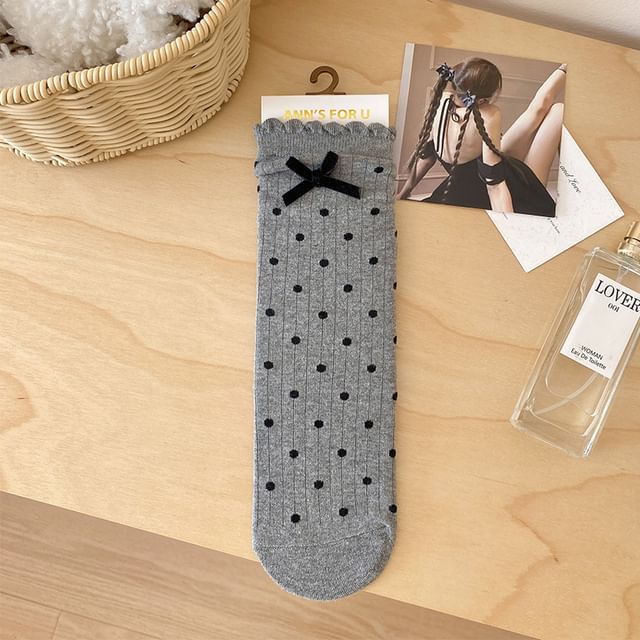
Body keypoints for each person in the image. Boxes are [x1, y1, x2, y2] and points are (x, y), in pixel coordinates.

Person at [397, 58, 566, 216]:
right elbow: (494, 185)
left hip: (467, 184)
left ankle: (566, 66)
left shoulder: (442, 101)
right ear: (484, 98)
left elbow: (426, 159)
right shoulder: (489, 114)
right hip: (500, 192)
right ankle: (566, 67)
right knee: (557, 110)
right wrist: (509, 224)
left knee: (542, 110)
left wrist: (403, 194)